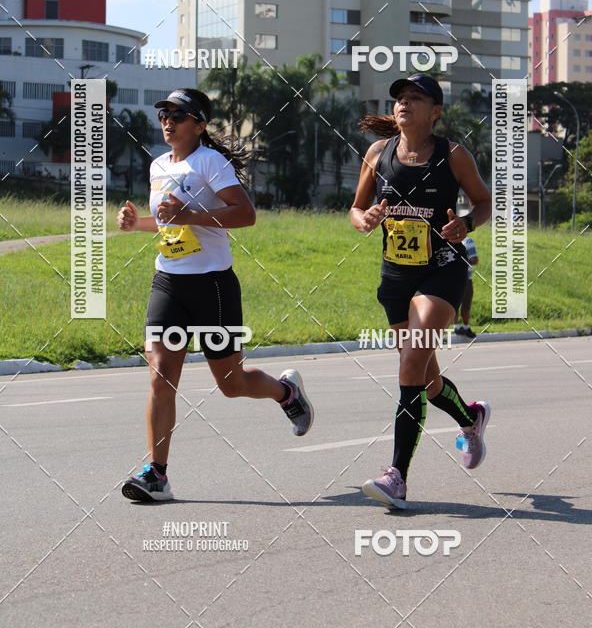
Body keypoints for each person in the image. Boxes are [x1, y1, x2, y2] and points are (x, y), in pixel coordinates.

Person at [117, 88, 313, 502]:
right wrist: (139, 225)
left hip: (212, 286)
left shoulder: (210, 161)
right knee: (160, 374)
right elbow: (171, 224)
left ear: (199, 124)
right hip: (169, 281)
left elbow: (246, 214)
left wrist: (189, 214)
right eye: (164, 114)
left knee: (231, 383)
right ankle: (157, 474)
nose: (168, 121)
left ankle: (286, 392)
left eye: (179, 115)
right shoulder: (157, 166)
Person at [350, 73, 492, 509]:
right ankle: (471, 418)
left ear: (436, 111)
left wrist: (464, 224)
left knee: (412, 357)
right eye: (399, 98)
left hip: (443, 271)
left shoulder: (453, 155)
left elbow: (484, 202)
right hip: (396, 275)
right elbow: (355, 208)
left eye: (415, 98)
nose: (403, 104)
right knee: (425, 380)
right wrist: (366, 219)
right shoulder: (378, 153)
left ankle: (396, 477)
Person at [454, 235, 479, 339]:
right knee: (463, 303)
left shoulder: (467, 241)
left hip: (454, 277)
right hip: (462, 278)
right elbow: (474, 260)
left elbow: (474, 260)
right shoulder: (468, 241)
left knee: (458, 304)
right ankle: (462, 327)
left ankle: (461, 327)